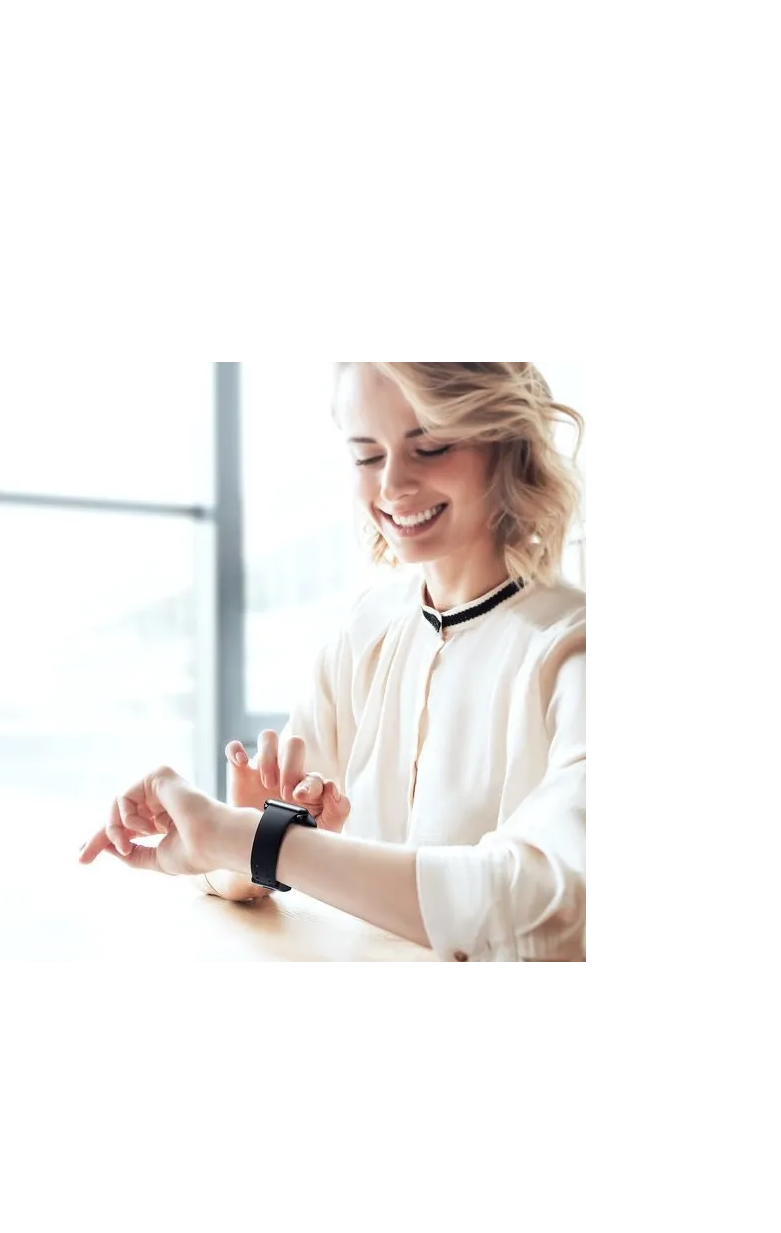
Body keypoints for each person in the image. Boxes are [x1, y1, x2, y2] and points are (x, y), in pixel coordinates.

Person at [78, 359, 590, 966]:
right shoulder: (366, 629)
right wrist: (245, 835)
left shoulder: (577, 648)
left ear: (505, 445)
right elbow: (246, 861)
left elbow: (556, 904)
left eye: (430, 447)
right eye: (367, 456)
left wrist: (245, 838)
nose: (392, 484)